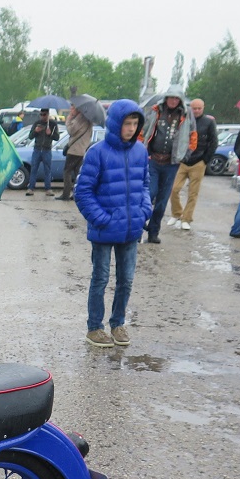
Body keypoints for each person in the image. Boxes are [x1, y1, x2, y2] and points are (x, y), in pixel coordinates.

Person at [75, 100, 151, 348]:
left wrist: (144, 210)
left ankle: (118, 323)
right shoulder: (97, 152)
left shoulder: (140, 151)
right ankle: (94, 328)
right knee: (100, 279)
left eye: (135, 123)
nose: (131, 128)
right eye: (127, 123)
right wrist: (102, 219)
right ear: (116, 123)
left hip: (131, 229)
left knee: (126, 280)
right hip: (104, 230)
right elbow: (83, 192)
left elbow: (145, 185)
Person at [140, 87, 196, 243]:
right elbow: (142, 130)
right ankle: (139, 226)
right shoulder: (155, 111)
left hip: (171, 163)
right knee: (149, 194)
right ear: (166, 98)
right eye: (171, 97)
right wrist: (141, 150)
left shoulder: (186, 114)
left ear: (180, 100)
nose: (173, 100)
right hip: (153, 160)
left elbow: (193, 136)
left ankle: (153, 232)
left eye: (176, 98)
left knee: (162, 201)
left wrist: (186, 154)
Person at [168, 98, 217, 230]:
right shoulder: (184, 120)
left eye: (199, 108)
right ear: (190, 108)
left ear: (203, 108)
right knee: (174, 189)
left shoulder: (209, 122)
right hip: (183, 161)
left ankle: (187, 218)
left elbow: (213, 142)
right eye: (194, 108)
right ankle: (177, 213)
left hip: (199, 161)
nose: (196, 111)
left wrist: (205, 160)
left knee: (193, 193)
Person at [60, 106, 93, 201]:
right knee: (78, 173)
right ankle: (77, 193)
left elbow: (71, 131)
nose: (71, 111)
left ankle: (66, 194)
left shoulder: (79, 118)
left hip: (74, 150)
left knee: (67, 171)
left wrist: (68, 120)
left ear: (78, 109)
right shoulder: (89, 121)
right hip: (82, 150)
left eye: (72, 109)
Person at [25, 108, 59, 195]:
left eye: (44, 115)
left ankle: (48, 188)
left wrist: (50, 134)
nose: (42, 116)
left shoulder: (53, 124)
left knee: (47, 170)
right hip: (37, 149)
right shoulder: (37, 123)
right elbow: (30, 136)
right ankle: (31, 188)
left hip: (47, 150)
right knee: (34, 169)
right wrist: (35, 131)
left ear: (48, 114)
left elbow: (57, 137)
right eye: (41, 114)